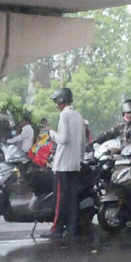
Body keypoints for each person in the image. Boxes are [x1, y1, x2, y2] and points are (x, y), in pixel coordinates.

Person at [48, 88, 84, 237]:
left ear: (62, 100)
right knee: (72, 199)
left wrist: (51, 133)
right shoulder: (78, 115)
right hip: (75, 164)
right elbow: (82, 141)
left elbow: (63, 139)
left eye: (57, 101)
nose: (56, 104)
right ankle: (72, 228)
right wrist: (79, 159)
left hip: (62, 164)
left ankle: (56, 229)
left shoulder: (64, 115)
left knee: (60, 199)